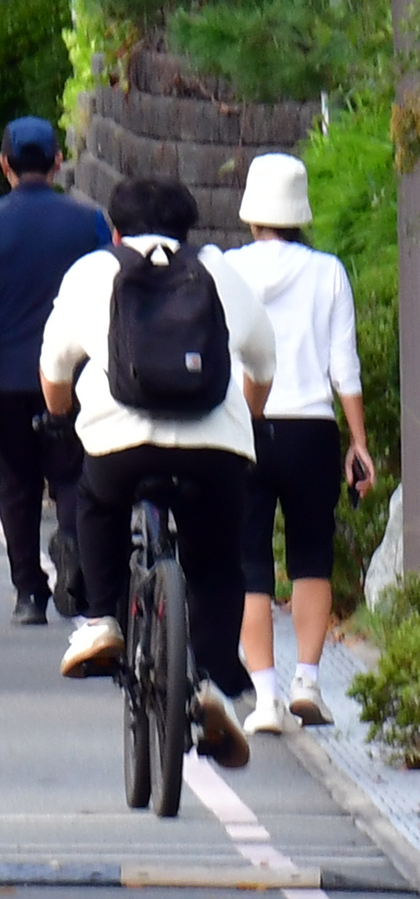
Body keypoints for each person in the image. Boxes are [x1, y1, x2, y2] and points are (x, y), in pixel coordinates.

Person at [40, 176, 276, 769]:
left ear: (115, 230)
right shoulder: (218, 272)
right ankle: (213, 683)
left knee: (98, 503)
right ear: (187, 228)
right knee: (217, 561)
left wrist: (61, 418)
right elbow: (263, 360)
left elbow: (54, 368)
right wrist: (249, 417)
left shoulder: (94, 271)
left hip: (121, 444)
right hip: (214, 449)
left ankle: (102, 621)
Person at [223, 153, 375, 733]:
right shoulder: (327, 272)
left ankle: (265, 696)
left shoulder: (228, 268)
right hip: (312, 429)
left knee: (250, 562)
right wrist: (358, 442)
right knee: (312, 557)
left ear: (252, 212)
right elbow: (345, 367)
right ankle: (307, 681)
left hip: (246, 425)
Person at [0, 118, 112, 625]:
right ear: (57, 162)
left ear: (4, 164)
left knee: (16, 485)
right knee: (74, 476)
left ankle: (28, 591)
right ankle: (76, 563)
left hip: (7, 378)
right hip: (74, 376)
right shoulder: (90, 222)